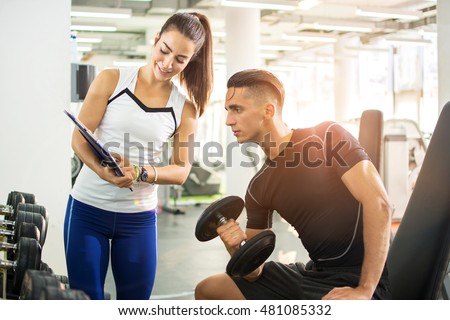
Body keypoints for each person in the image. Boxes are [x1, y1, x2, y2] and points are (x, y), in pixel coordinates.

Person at [195, 69, 392, 300]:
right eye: (228, 110)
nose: (229, 120)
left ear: (268, 110)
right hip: (313, 275)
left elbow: (379, 204)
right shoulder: (259, 187)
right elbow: (253, 273)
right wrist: (236, 247)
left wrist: (365, 290)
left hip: (359, 277)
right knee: (210, 290)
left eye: (237, 109)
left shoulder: (327, 136)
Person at [64, 12, 213, 300]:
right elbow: (78, 139)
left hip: (138, 219)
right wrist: (100, 170)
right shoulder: (112, 79)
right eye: (164, 50)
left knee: (136, 306)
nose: (168, 63)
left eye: (180, 59)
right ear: (156, 39)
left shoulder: (185, 109)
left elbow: (181, 170)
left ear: (190, 61)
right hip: (88, 209)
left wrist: (141, 172)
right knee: (86, 301)